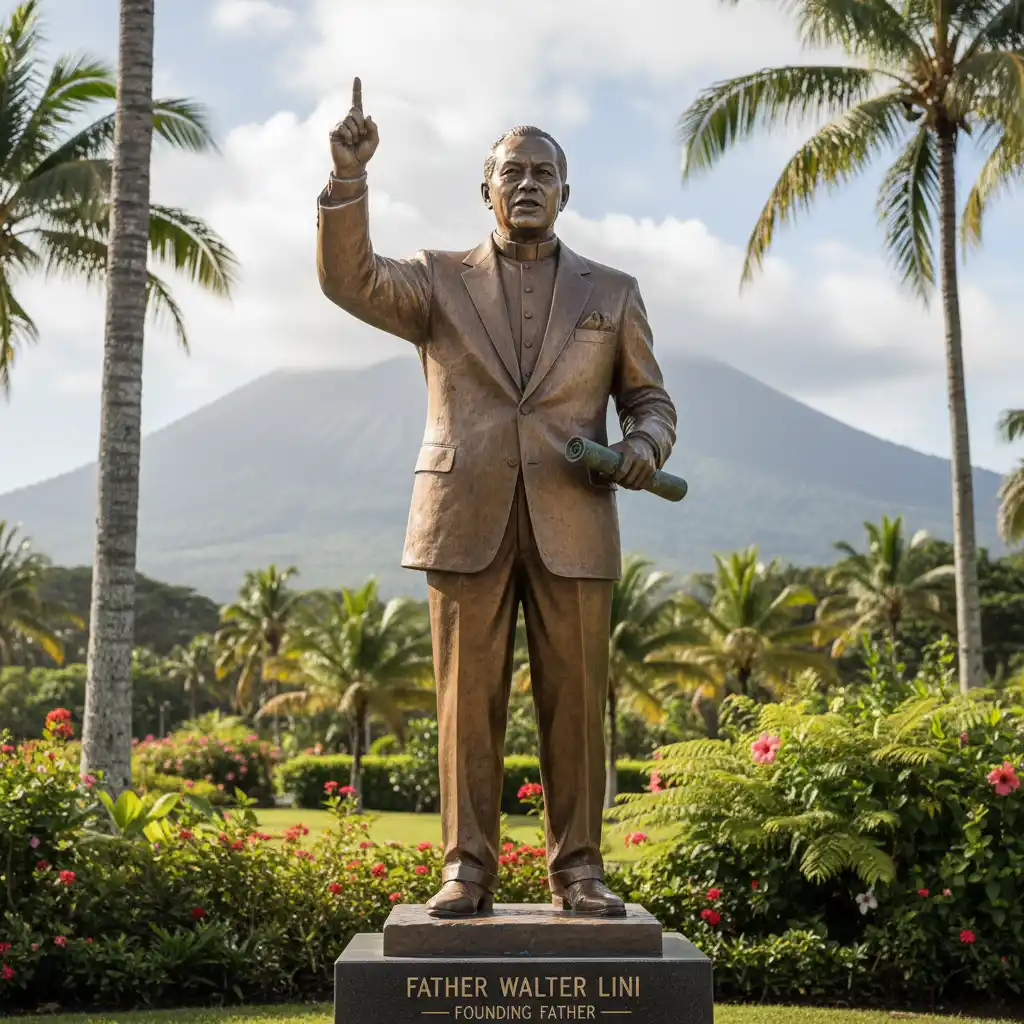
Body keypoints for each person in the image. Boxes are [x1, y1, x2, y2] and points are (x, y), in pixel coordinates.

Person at [317, 78, 677, 917]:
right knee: (464, 704)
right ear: (486, 189)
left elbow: (650, 400)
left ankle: (579, 871)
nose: (526, 184)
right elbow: (351, 280)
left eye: (543, 173)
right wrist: (349, 179)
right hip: (462, 519)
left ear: (565, 193)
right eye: (511, 172)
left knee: (575, 708)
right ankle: (466, 870)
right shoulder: (436, 280)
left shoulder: (612, 292)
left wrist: (643, 447)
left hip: (575, 517)